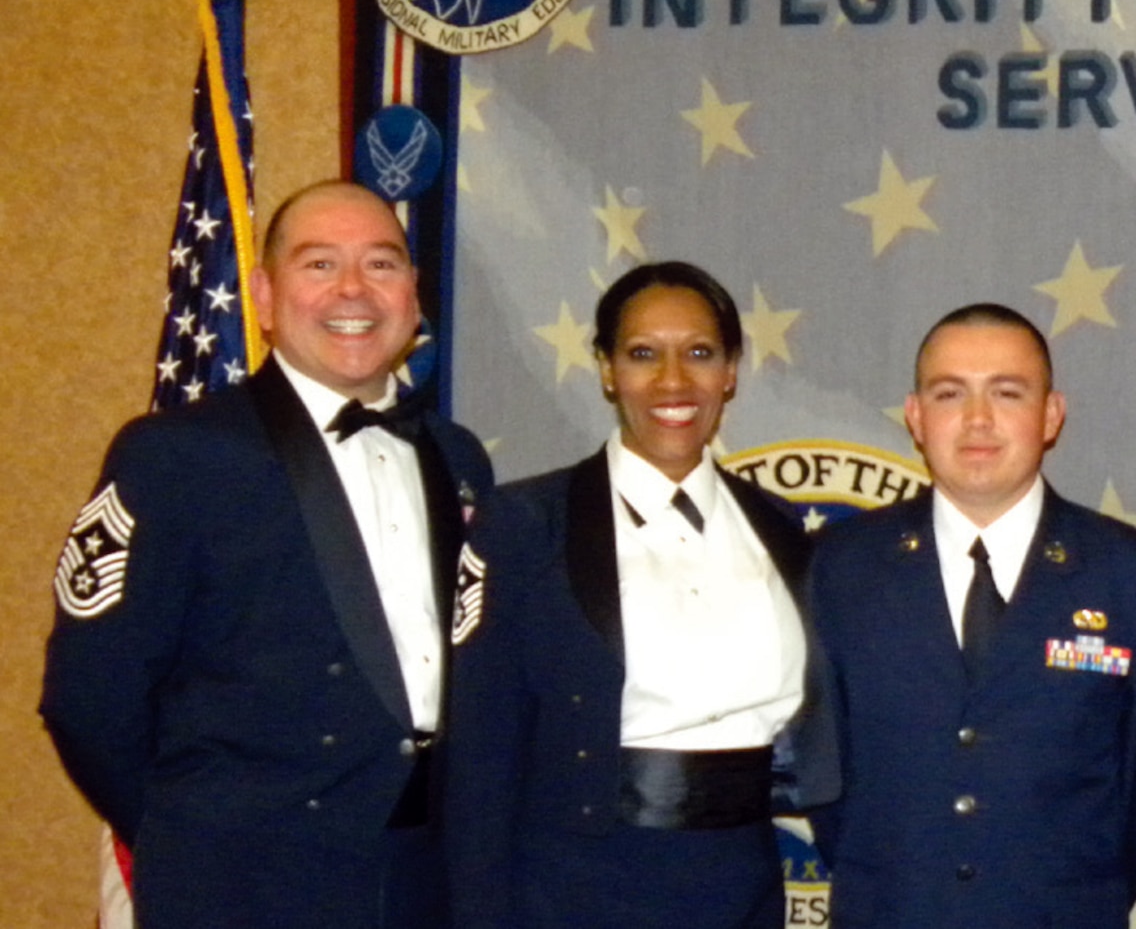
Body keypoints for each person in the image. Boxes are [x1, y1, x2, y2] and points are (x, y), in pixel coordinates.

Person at [41, 180, 494, 927]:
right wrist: (193, 841)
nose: (354, 289)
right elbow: (90, 696)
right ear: (263, 296)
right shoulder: (176, 456)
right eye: (319, 264)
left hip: (424, 884)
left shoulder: (458, 456)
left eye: (381, 264)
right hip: (241, 886)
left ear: (413, 293)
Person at [443, 261, 839, 928]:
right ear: (607, 369)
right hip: (577, 886)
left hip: (742, 880)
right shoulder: (526, 525)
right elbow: (479, 758)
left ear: (731, 371)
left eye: (700, 353)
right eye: (643, 354)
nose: (673, 380)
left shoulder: (780, 526)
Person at [808, 303, 1136, 928]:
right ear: (915, 416)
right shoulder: (838, 568)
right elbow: (824, 771)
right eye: (950, 393)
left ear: (1051, 415)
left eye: (1007, 393)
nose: (978, 419)